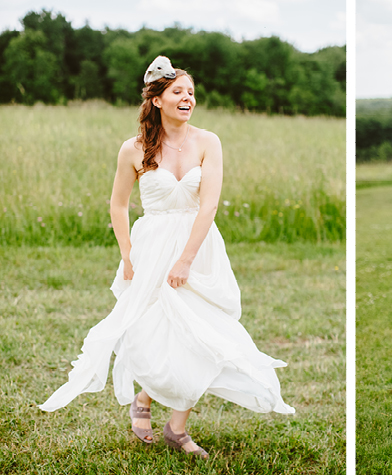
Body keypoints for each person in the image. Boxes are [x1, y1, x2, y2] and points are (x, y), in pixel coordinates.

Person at [39, 56, 295, 458]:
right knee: (151, 331)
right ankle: (144, 396)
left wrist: (186, 260)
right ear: (157, 100)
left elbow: (208, 206)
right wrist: (126, 255)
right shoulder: (134, 149)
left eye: (191, 92)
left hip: (198, 246)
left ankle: (177, 427)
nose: (187, 98)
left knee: (202, 336)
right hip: (152, 246)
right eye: (178, 92)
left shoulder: (209, 142)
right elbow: (118, 204)